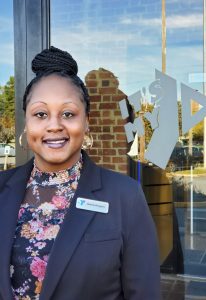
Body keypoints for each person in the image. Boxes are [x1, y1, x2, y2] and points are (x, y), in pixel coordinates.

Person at [0, 46, 161, 300]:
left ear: (86, 122)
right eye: (40, 114)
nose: (54, 125)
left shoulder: (125, 196)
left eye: (68, 113)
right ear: (26, 121)